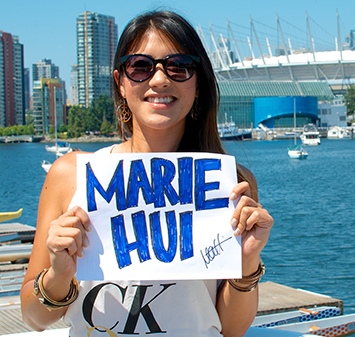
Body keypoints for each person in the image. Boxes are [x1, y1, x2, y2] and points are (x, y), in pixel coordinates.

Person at [20, 10, 273, 337]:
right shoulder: (70, 174)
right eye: (140, 66)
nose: (159, 79)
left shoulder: (232, 184)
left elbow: (232, 329)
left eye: (178, 66)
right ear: (120, 82)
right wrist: (58, 273)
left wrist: (247, 261)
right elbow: (33, 318)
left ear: (198, 84)